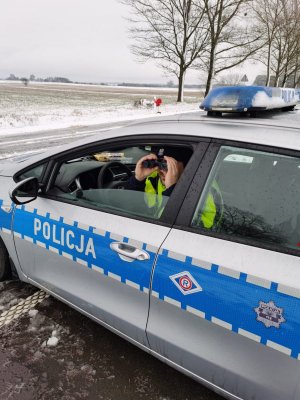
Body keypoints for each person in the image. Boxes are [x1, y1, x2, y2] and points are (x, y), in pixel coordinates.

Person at [125, 148, 189, 215]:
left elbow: (178, 220)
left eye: (167, 165)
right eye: (159, 164)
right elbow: (128, 208)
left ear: (185, 165)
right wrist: (137, 180)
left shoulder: (196, 187)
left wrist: (172, 189)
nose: (161, 170)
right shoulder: (152, 179)